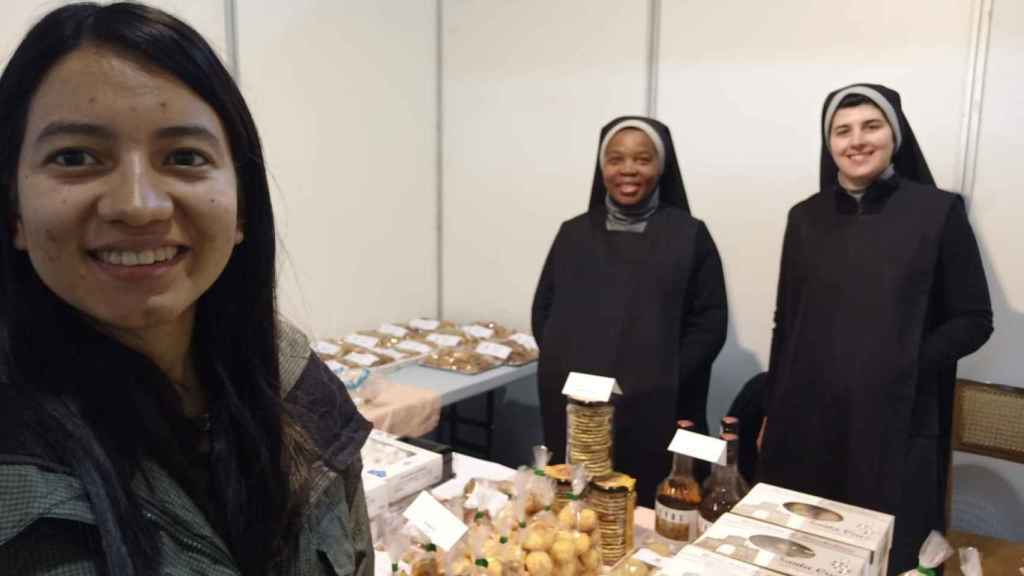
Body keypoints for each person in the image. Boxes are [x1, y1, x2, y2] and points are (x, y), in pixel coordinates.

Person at [0, 4, 372, 575]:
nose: (138, 205)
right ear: (15, 212)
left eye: (184, 157)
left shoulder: (290, 375)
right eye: (75, 157)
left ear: (242, 207)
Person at [759, 83, 993, 573]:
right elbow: (787, 322)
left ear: (895, 134)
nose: (856, 141)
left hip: (896, 421)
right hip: (809, 420)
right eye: (842, 131)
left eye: (871, 126)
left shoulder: (937, 211)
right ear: (829, 146)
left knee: (886, 555)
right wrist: (771, 409)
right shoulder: (804, 219)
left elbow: (974, 320)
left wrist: (903, 361)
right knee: (807, 552)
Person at [532, 116, 727, 505]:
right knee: (577, 508)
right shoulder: (573, 233)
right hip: (580, 406)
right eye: (616, 159)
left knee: (648, 512)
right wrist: (563, 364)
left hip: (655, 405)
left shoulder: (689, 235)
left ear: (662, 166)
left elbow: (709, 323)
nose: (628, 170)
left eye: (642, 159)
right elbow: (545, 310)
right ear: (602, 167)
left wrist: (664, 377)